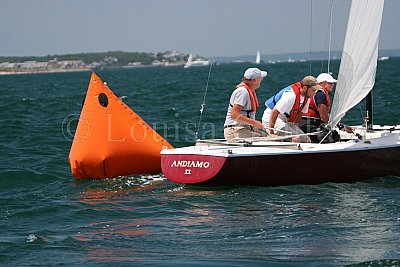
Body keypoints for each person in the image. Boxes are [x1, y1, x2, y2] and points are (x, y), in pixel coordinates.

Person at [261, 76, 321, 143]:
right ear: (305, 88)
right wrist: (271, 132)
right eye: (313, 90)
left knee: (306, 139)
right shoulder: (291, 95)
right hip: (271, 118)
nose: (314, 93)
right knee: (296, 138)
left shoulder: (307, 97)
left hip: (285, 120)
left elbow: (299, 114)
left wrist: (295, 128)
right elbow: (274, 112)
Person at [300, 73, 353, 143]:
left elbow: (325, 116)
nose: (332, 85)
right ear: (321, 83)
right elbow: (323, 117)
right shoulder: (320, 94)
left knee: (334, 135)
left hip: (306, 123)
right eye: (330, 83)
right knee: (331, 137)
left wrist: (340, 125)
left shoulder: (316, 92)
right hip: (309, 124)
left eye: (333, 83)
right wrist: (341, 126)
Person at [224, 67, 268, 141]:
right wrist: (254, 123)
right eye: (261, 78)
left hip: (243, 129)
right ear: (255, 80)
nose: (262, 80)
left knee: (271, 137)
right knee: (269, 140)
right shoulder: (242, 92)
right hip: (235, 131)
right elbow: (234, 115)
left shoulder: (247, 91)